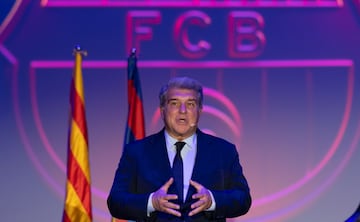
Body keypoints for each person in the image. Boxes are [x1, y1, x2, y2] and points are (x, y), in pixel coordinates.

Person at [107, 76, 251, 222]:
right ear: (162, 109)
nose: (183, 111)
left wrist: (212, 200)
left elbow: (243, 199)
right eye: (174, 103)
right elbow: (115, 201)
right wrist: (151, 202)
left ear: (200, 110)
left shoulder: (224, 152)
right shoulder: (136, 152)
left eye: (190, 104)